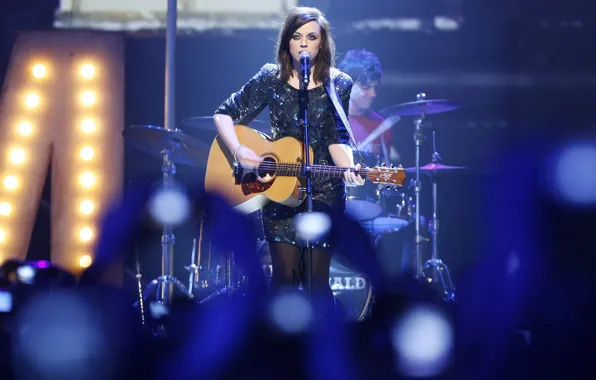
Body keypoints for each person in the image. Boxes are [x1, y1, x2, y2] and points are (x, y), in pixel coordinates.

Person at [213, 7, 364, 316]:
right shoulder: (270, 77)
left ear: (322, 43)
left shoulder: (340, 83)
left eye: (311, 37)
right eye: (297, 37)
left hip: (324, 192)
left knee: (317, 285)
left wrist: (348, 167)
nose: (304, 44)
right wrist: (240, 150)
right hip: (280, 192)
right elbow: (224, 114)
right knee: (282, 280)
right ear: (287, 42)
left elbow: (338, 138)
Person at [338, 49, 400, 166]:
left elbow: (385, 174)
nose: (373, 94)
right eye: (366, 87)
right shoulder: (328, 121)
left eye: (375, 88)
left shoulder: (382, 126)